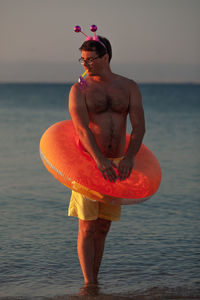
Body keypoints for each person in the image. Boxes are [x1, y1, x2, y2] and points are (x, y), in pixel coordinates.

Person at [68, 34, 145, 286]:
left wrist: (129, 158)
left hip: (118, 162)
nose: (84, 64)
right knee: (87, 227)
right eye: (82, 59)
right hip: (90, 163)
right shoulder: (79, 88)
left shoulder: (129, 86)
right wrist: (99, 159)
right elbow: (81, 129)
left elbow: (139, 127)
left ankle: (95, 281)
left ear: (106, 57)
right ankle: (88, 283)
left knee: (103, 228)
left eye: (90, 59)